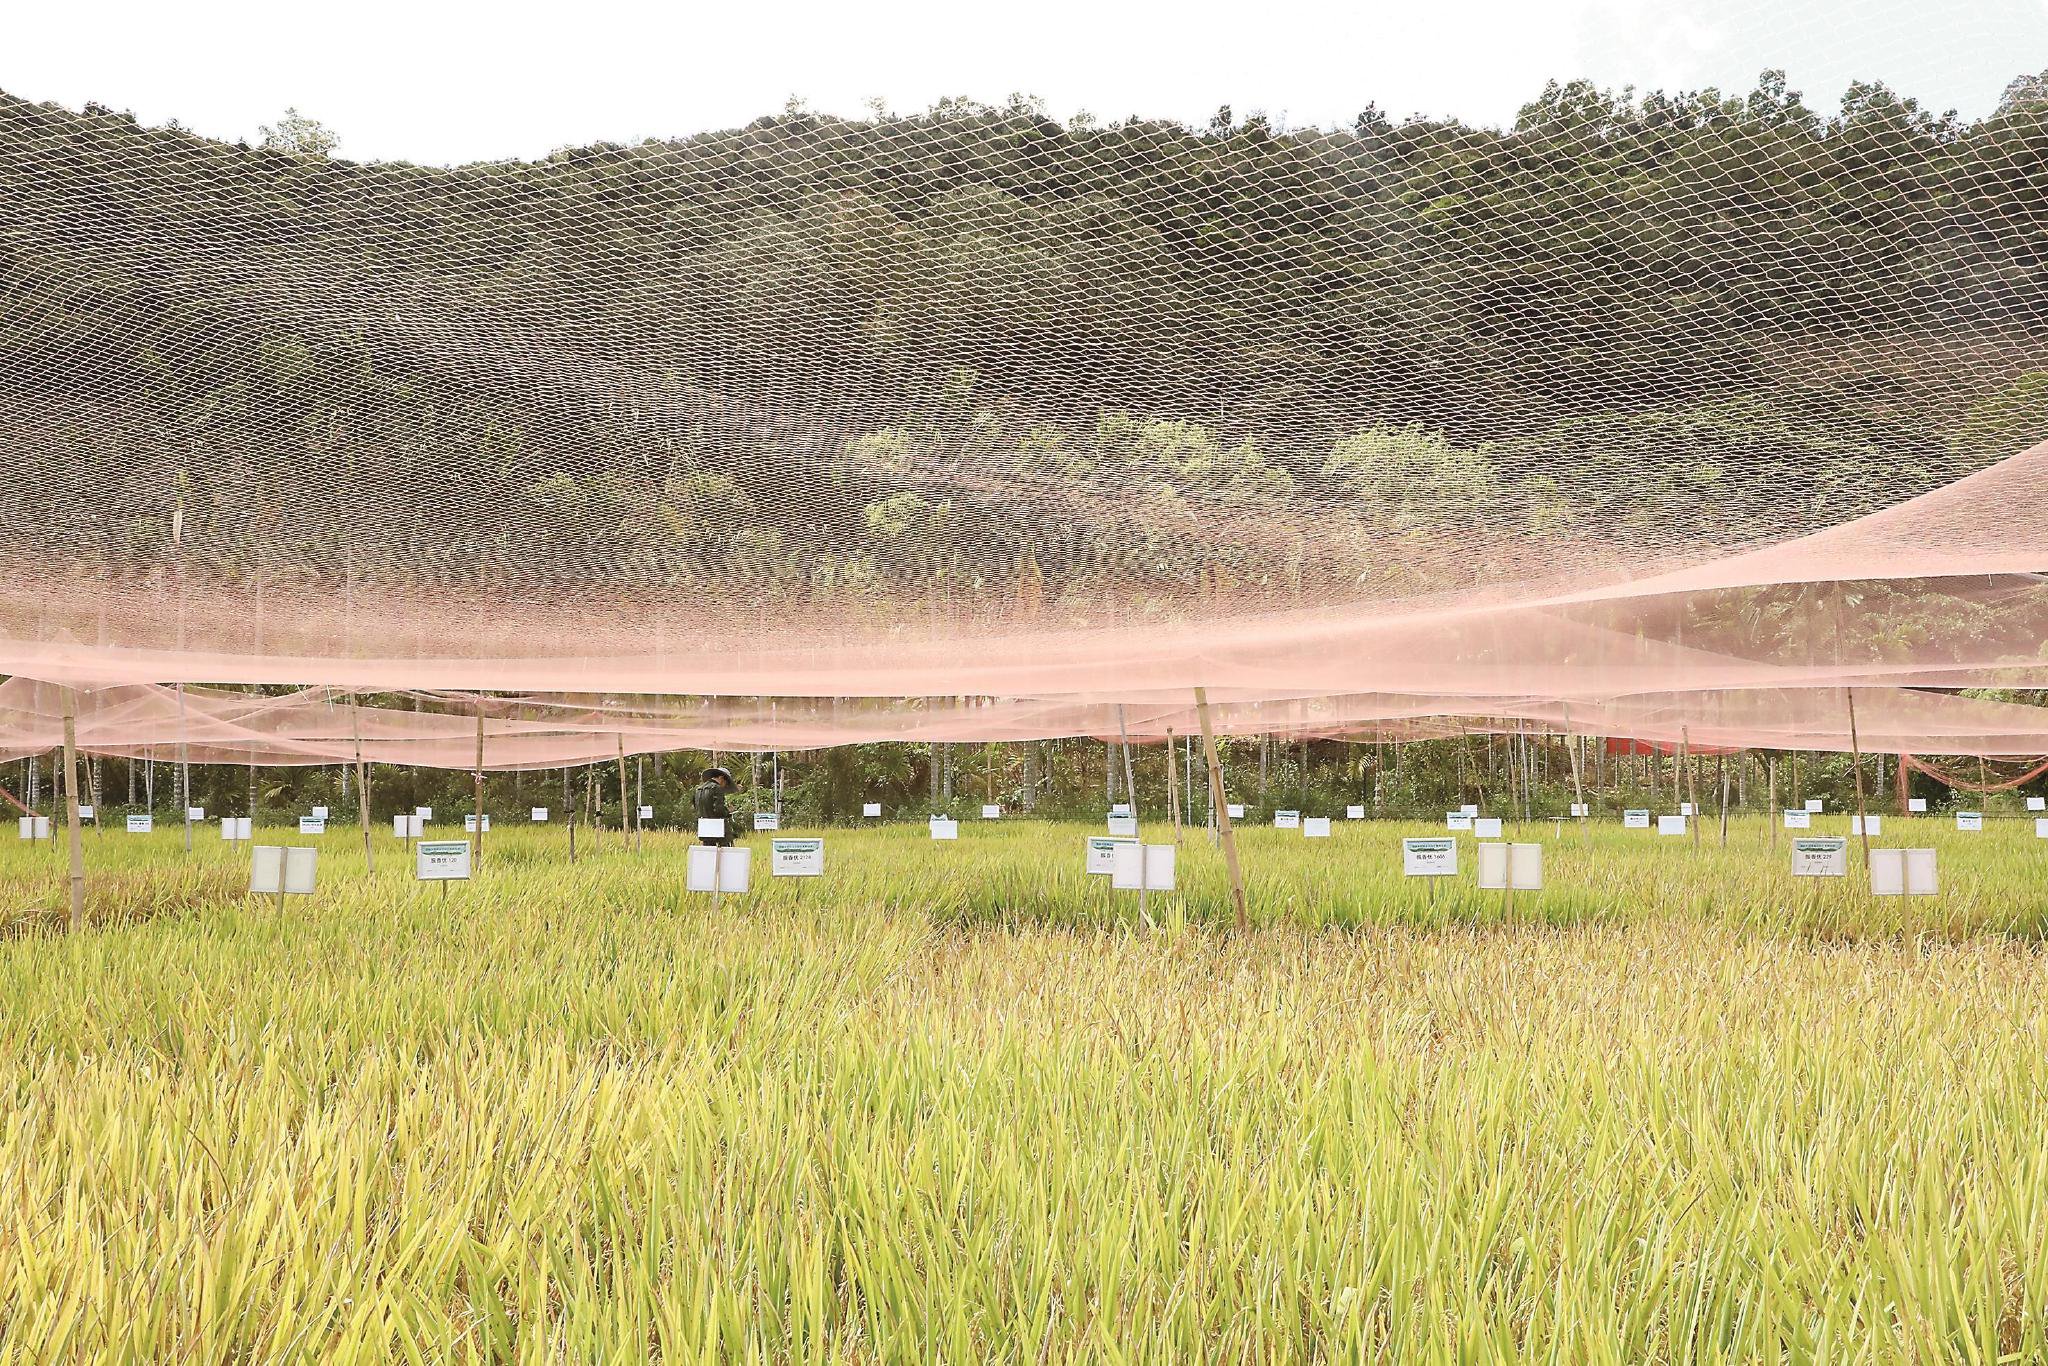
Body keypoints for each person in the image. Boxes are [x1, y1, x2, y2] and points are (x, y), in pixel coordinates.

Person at [692, 766, 739, 846]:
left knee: (708, 850)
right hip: (718, 828)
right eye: (726, 782)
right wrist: (728, 811)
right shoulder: (717, 788)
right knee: (726, 850)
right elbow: (719, 810)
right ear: (721, 778)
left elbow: (696, 807)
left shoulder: (698, 789)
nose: (725, 785)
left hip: (704, 828)